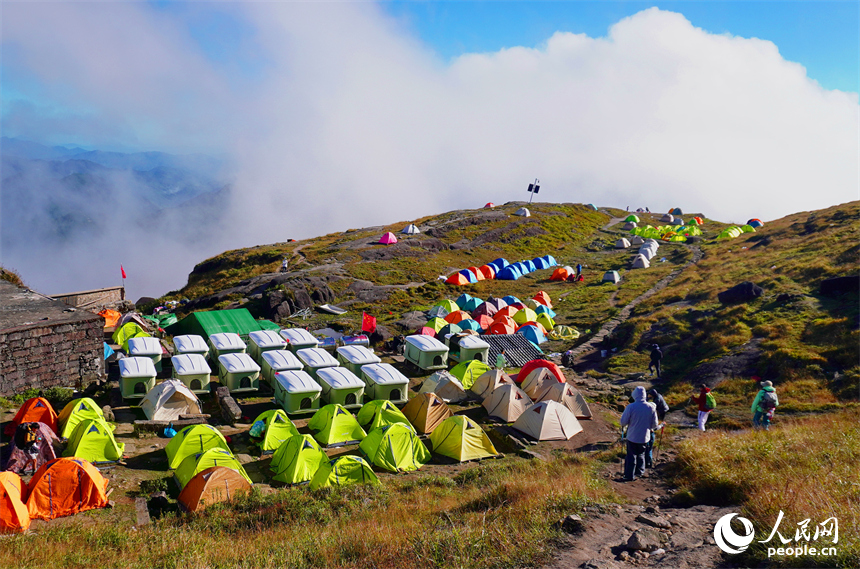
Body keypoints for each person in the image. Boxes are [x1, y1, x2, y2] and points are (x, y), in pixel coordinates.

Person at [620, 386, 660, 481]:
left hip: (632, 436)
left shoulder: (631, 407)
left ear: (635, 395)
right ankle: (640, 472)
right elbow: (654, 424)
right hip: (645, 436)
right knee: (641, 454)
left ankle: (629, 475)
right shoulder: (651, 407)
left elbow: (623, 422)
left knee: (631, 456)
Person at [645, 389, 669, 468]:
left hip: (663, 410)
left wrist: (646, 400)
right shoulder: (657, 396)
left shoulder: (657, 399)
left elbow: (653, 406)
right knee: (649, 449)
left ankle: (646, 464)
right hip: (652, 431)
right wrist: (661, 425)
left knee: (646, 449)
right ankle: (649, 463)